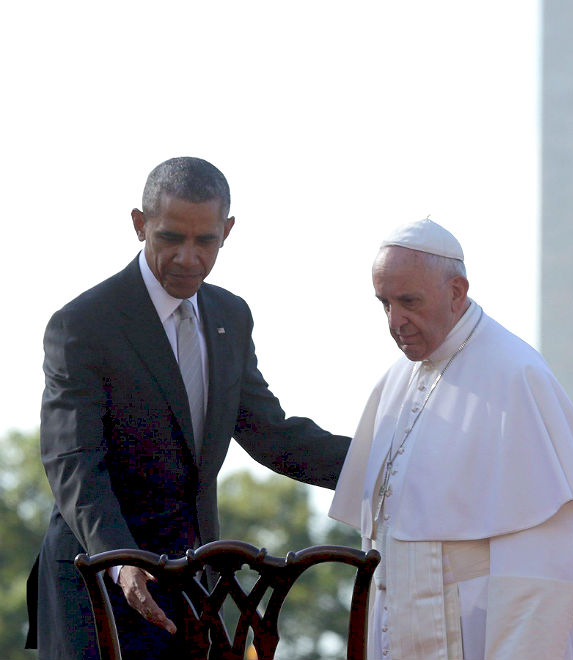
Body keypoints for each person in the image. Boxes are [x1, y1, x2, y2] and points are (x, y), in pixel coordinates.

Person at [27, 157, 351, 659]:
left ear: (228, 231)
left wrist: (383, 464)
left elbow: (270, 433)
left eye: (206, 242)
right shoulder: (83, 324)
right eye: (170, 238)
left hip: (195, 586)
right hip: (97, 587)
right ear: (139, 224)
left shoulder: (231, 315)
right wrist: (121, 559)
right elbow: (73, 461)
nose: (187, 258)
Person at [329, 218, 573, 660]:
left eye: (408, 302)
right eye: (384, 303)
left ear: (457, 291)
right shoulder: (394, 381)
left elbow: (540, 569)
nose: (394, 321)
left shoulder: (516, 375)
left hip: (480, 634)